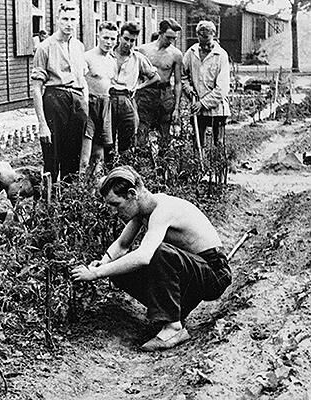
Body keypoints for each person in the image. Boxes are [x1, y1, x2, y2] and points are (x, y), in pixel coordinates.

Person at [71, 166, 231, 351]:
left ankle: (173, 327)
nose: (114, 212)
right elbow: (122, 245)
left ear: (132, 194)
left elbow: (144, 257)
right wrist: (103, 263)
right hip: (193, 271)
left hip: (214, 272)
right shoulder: (143, 211)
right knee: (117, 268)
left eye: (116, 204)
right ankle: (174, 311)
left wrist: (96, 274)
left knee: (157, 252)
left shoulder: (162, 210)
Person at [31, 0, 89, 182]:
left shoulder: (79, 46)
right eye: (65, 19)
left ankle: (68, 203)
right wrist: (42, 124)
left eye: (73, 19)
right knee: (52, 156)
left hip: (77, 101)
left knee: (73, 158)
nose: (69, 23)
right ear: (57, 19)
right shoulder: (45, 47)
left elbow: (83, 79)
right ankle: (50, 204)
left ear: (78, 20)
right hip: (55, 99)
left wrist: (84, 104)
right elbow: (36, 88)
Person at [108, 22, 160, 159]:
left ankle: (123, 175)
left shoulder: (138, 58)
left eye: (132, 40)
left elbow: (155, 77)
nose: (128, 43)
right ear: (119, 37)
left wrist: (138, 87)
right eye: (126, 39)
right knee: (107, 141)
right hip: (108, 100)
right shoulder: (107, 55)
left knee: (128, 143)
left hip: (127, 101)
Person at [137, 18, 183, 153]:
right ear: (160, 33)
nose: (171, 41)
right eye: (168, 37)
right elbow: (137, 75)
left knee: (165, 135)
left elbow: (178, 82)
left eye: (174, 38)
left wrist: (176, 108)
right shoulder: (144, 50)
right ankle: (141, 166)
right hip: (146, 94)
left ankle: (164, 168)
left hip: (165, 94)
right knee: (141, 132)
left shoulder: (176, 54)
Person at [182, 20, 231, 148]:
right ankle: (198, 166)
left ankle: (220, 166)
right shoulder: (191, 53)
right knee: (198, 143)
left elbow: (222, 88)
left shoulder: (221, 56)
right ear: (197, 35)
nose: (205, 46)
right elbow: (183, 76)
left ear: (213, 35)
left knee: (218, 143)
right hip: (196, 107)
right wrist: (188, 89)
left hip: (217, 108)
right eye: (201, 40)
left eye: (207, 41)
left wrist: (203, 103)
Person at [80, 22, 118, 176]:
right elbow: (79, 81)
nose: (109, 42)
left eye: (113, 39)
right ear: (98, 37)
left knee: (100, 153)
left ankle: (94, 189)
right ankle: (79, 184)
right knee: (85, 153)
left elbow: (111, 84)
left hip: (105, 105)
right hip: (89, 105)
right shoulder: (87, 57)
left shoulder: (112, 61)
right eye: (105, 38)